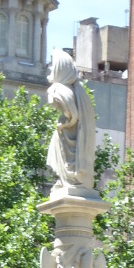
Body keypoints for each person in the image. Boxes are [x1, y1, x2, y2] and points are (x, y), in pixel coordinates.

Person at [46, 49, 96, 192]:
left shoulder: (59, 89)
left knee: (66, 161)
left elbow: (71, 114)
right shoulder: (77, 91)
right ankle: (67, 179)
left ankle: (68, 179)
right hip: (73, 134)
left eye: (53, 65)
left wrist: (64, 123)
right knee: (67, 162)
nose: (50, 68)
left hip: (69, 132)